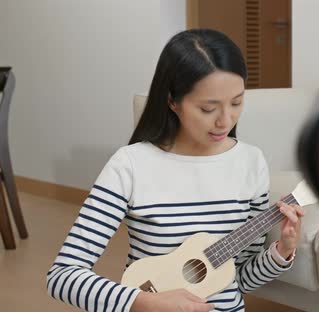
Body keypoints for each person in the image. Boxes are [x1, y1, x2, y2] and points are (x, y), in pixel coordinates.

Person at [46, 29, 305, 312]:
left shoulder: (251, 161)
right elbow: (63, 276)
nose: (225, 120)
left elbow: (238, 280)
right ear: (172, 100)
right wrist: (144, 302)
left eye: (237, 102)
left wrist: (282, 251)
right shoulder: (130, 165)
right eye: (208, 108)